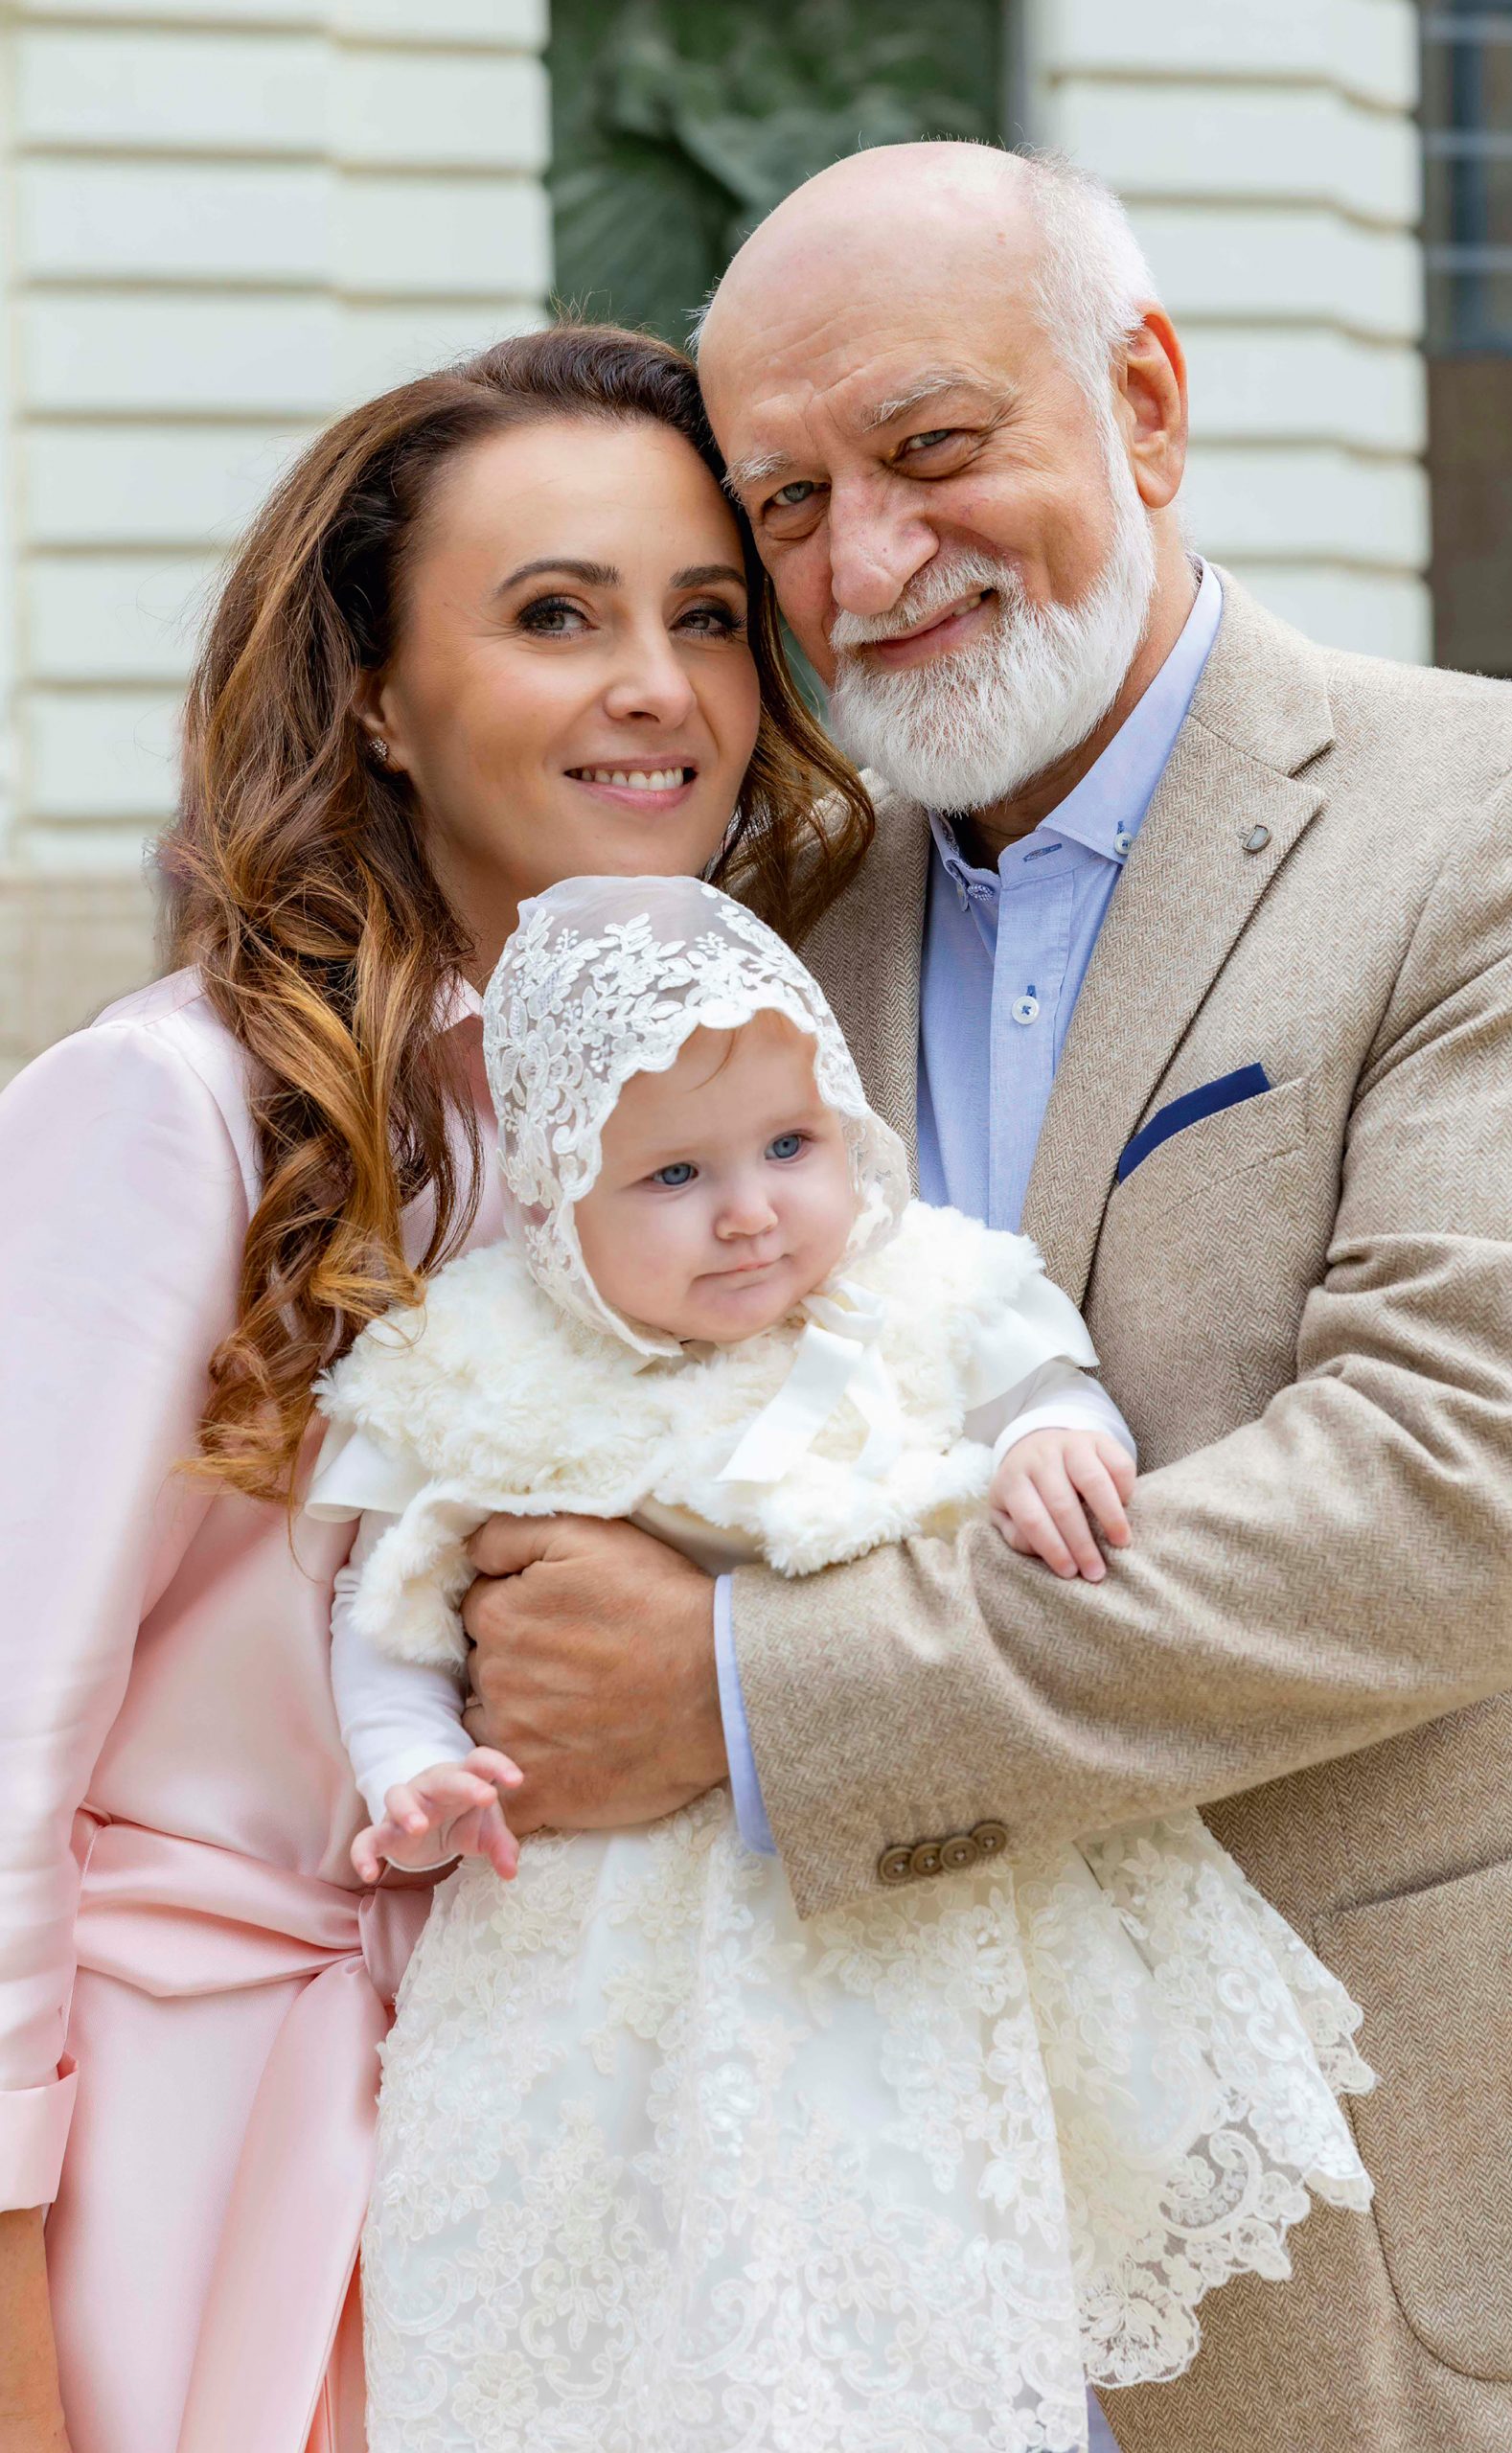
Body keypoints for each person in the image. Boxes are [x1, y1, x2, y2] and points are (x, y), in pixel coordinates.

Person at [458, 149, 1512, 2453]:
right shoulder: (771, 929)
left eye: (931, 447)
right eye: (790, 505)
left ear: (1147, 406)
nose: (865, 565)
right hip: (879, 2260)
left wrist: (740, 1686)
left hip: (1394, 2246)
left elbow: (1460, 1492)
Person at [0, 328, 868, 2453]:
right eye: (556, 614)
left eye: (708, 619)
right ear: (376, 696)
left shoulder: (754, 1133)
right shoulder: (173, 1105)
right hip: (211, 2172)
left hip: (582, 2136)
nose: (657, 687)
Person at [310, 871, 1371, 2452]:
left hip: (907, 1882)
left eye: (789, 1148)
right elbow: (386, 1610)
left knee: (926, 2234)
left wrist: (1052, 1441)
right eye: (674, 1174)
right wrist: (413, 1766)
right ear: (554, 1197)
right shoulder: (481, 1356)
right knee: (646, 2279)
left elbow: (1043, 1384)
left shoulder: (912, 1281)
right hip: (615, 1939)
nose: (750, 1210)